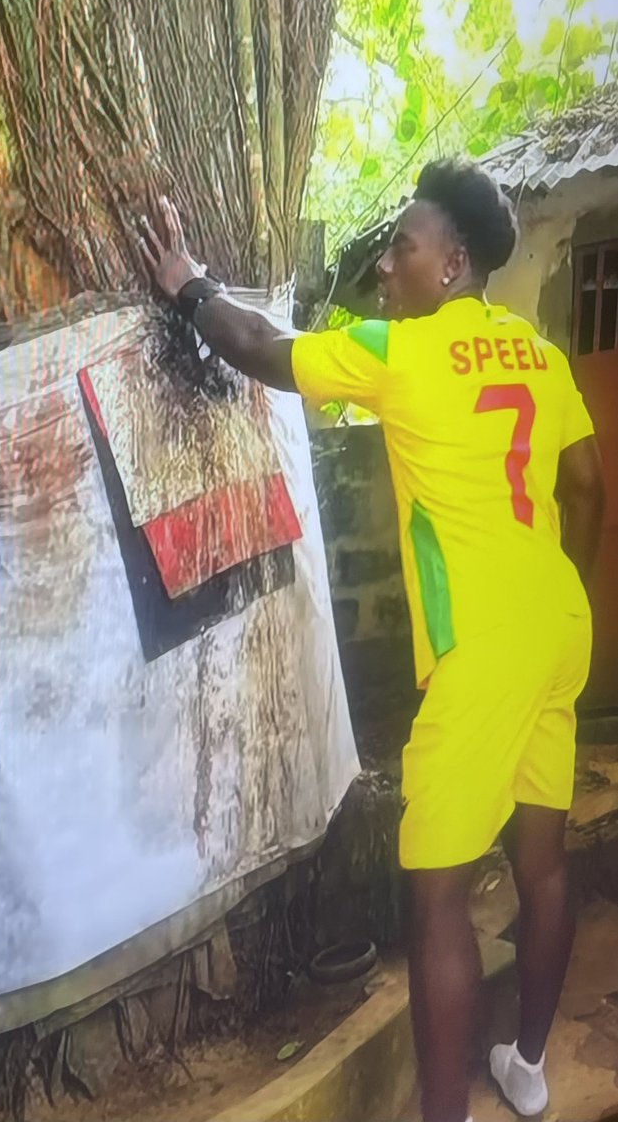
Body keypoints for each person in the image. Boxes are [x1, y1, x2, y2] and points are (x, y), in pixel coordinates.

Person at [139, 159, 605, 1122]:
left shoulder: (402, 352)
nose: (385, 265)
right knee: (543, 860)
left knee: (434, 899)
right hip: (558, 627)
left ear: (452, 263)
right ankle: (525, 1067)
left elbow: (263, 347)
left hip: (480, 648)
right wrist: (555, 588)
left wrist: (186, 283)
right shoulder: (537, 353)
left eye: (402, 245)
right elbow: (588, 484)